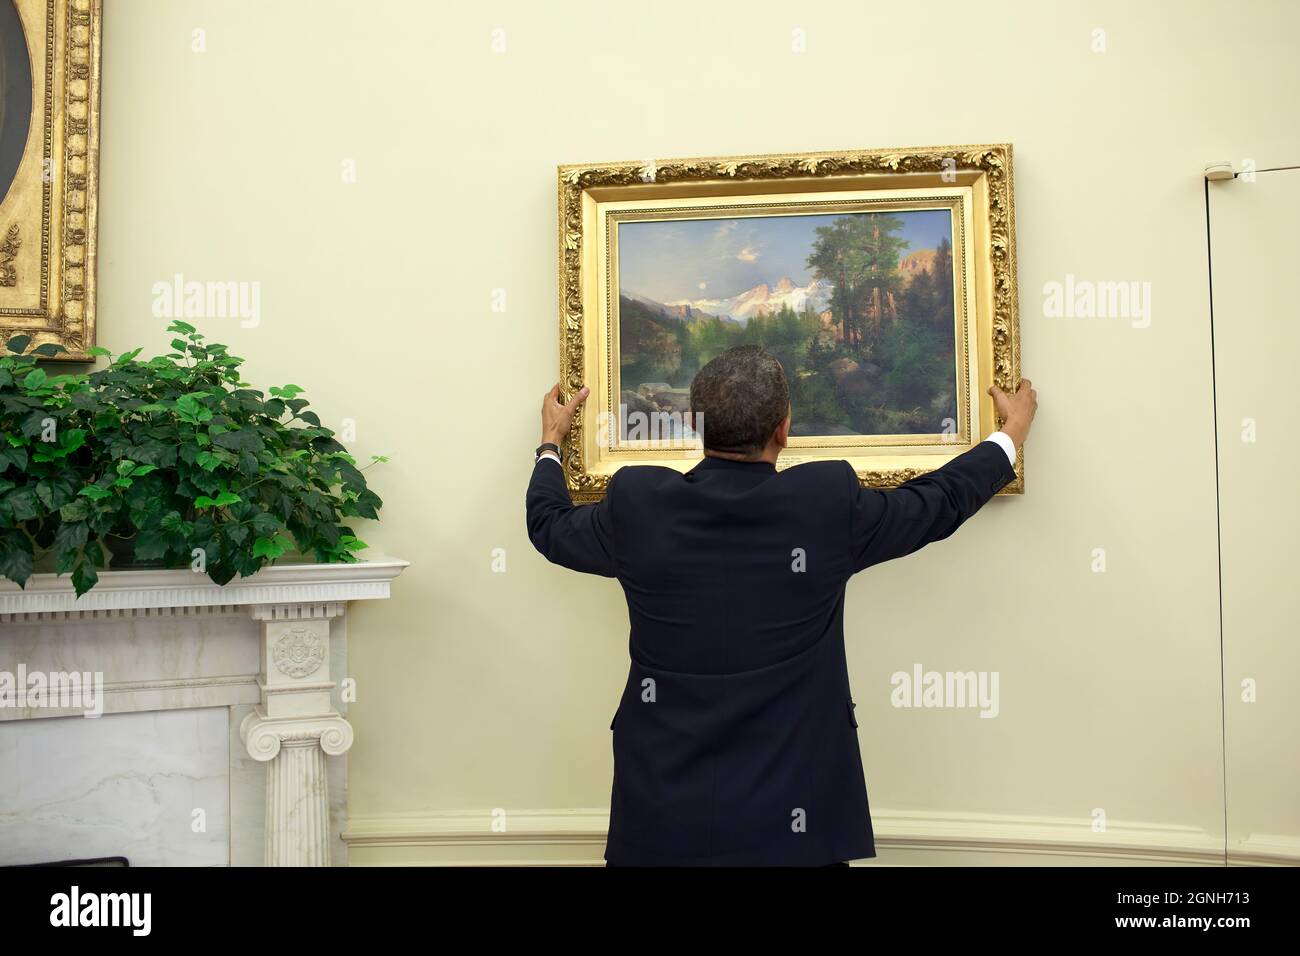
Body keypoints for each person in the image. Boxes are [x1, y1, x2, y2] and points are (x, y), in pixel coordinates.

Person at [526, 345, 1038, 866]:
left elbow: (548, 527)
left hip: (663, 819)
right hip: (797, 827)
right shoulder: (824, 504)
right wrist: (1008, 437)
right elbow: (937, 501)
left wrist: (551, 444)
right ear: (783, 429)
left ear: (697, 427)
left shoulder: (639, 505)